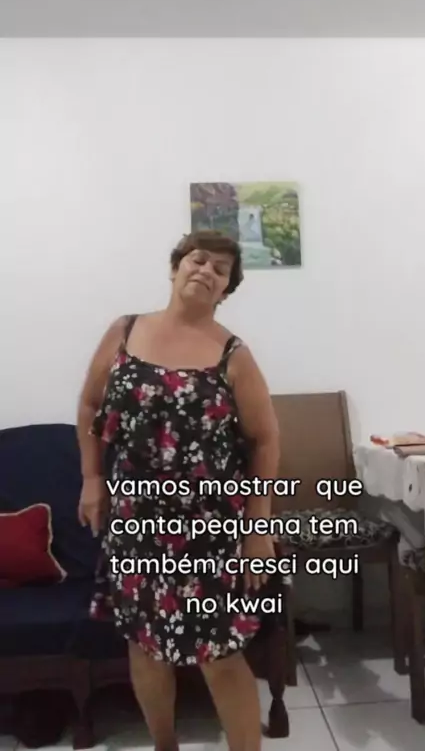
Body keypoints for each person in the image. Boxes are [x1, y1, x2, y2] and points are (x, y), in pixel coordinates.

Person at [77, 230, 280, 751]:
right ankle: (164, 745)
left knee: (221, 655)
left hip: (211, 528)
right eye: (198, 259)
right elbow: (90, 406)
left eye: (221, 270)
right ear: (176, 268)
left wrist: (257, 529)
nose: (207, 270)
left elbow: (265, 439)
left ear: (226, 290)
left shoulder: (233, 353)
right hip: (136, 520)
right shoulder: (124, 331)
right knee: (146, 648)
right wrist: (92, 478)